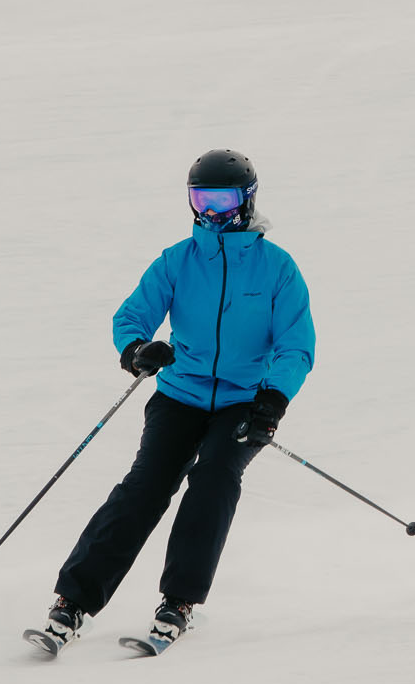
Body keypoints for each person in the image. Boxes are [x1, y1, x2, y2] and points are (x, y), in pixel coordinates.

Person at [39, 149, 316, 650]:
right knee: (145, 487)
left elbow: (295, 345)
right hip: (180, 395)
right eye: (201, 198)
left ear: (246, 200)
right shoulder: (178, 260)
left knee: (214, 480)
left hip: (243, 402)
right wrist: (138, 350)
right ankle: (72, 603)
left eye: (222, 200)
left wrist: (273, 401)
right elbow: (132, 316)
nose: (210, 211)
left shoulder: (277, 268)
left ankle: (178, 603)